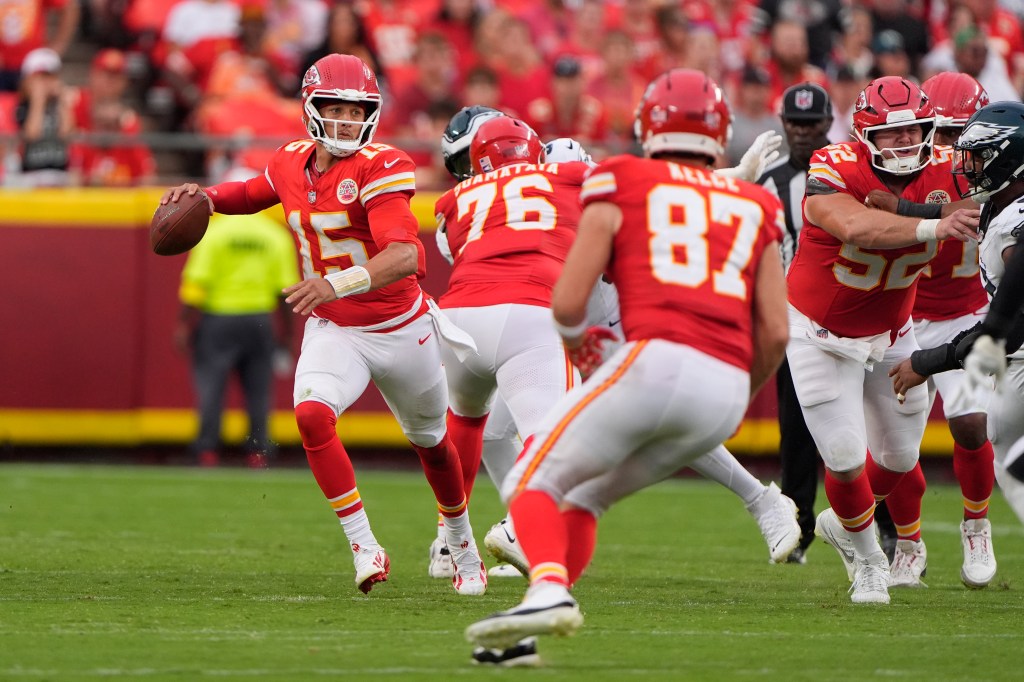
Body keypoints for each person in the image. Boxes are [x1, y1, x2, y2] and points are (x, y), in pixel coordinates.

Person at [464, 68, 790, 651]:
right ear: (720, 130)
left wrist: (572, 341)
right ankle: (528, 635)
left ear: (646, 126)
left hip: (651, 359)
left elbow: (566, 302)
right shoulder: (757, 202)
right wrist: (740, 393)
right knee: (584, 496)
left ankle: (546, 591)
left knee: (529, 479)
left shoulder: (620, 178)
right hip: (723, 389)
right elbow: (776, 333)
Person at [159, 53, 485, 596]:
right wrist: (204, 197)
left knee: (432, 444)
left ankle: (461, 540)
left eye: (356, 111)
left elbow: (405, 255)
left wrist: (334, 283)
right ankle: (363, 543)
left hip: (401, 325)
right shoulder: (290, 160)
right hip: (336, 328)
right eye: (333, 109)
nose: (345, 122)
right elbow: (249, 194)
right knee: (311, 416)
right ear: (310, 110)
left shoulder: (380, 166)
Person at [785, 76, 980, 604]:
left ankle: (844, 521)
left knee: (897, 459)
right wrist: (933, 224)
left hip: (894, 331)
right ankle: (870, 562)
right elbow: (857, 229)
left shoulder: (947, 170)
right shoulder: (831, 165)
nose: (906, 142)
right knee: (846, 457)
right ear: (865, 135)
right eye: (892, 135)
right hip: (819, 333)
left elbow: (1003, 187)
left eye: (915, 130)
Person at [869, 72, 998, 589]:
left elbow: (974, 208)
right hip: (906, 316)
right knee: (897, 446)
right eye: (939, 134)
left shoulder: (994, 177)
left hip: (966, 313)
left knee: (969, 422)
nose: (948, 148)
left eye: (960, 134)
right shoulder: (901, 169)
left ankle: (976, 525)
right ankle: (908, 541)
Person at [891, 101, 1024, 535]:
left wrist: (926, 362)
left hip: (1011, 357)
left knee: (1007, 456)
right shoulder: (997, 209)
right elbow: (946, 215)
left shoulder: (1011, 226)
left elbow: (1002, 331)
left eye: (977, 155)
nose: (964, 165)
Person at [756, 82, 833, 564]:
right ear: (784, 123)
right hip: (793, 316)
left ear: (827, 123)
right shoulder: (769, 180)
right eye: (795, 123)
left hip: (847, 311)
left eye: (811, 124)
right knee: (796, 428)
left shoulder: (850, 169)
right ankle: (799, 530)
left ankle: (889, 527)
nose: (803, 133)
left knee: (871, 426)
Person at [175, 212, 298, 469]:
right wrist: (288, 334)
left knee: (211, 387)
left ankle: (207, 450)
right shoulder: (274, 234)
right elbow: (285, 289)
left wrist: (184, 324)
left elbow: (197, 283)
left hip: (218, 318)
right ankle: (258, 452)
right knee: (258, 390)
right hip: (259, 319)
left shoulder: (214, 232)